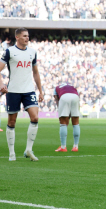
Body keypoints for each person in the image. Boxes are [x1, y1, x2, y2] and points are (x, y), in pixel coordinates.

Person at [0, 28, 44, 162]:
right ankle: (12, 153)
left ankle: (28, 150)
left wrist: (40, 90)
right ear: (17, 37)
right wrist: (1, 84)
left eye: (28, 36)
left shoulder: (32, 52)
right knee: (12, 121)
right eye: (24, 36)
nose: (27, 38)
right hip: (13, 90)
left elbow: (35, 72)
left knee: (35, 117)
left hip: (29, 90)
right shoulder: (9, 52)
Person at [53, 83, 81, 152]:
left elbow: (56, 99)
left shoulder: (56, 88)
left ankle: (63, 147)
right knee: (76, 123)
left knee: (63, 124)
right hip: (75, 97)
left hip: (64, 97)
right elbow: (77, 95)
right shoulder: (72, 86)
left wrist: (60, 109)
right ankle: (75, 147)